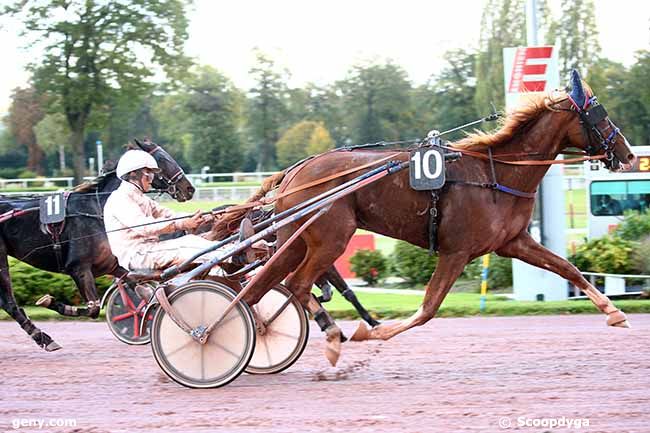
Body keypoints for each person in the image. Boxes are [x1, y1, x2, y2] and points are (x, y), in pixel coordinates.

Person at [103, 150, 236, 278]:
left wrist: (199, 218)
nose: (151, 178)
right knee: (190, 248)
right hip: (137, 255)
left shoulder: (141, 198)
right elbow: (145, 227)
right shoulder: (120, 199)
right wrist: (182, 224)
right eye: (148, 173)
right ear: (133, 174)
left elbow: (168, 214)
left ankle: (234, 251)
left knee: (192, 241)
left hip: (150, 249)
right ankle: (236, 255)